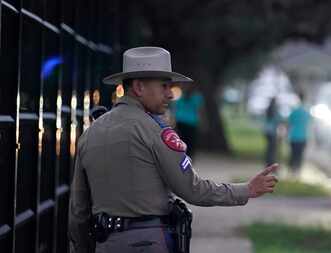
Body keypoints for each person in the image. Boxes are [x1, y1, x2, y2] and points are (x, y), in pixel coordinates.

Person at [69, 47, 279, 253]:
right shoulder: (155, 131)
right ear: (139, 87)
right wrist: (246, 190)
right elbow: (192, 189)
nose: (170, 94)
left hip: (104, 244)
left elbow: (78, 211)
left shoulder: (90, 134)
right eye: (164, 86)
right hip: (148, 242)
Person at [174, 86, 204, 158]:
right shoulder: (197, 98)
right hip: (191, 123)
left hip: (180, 121)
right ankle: (189, 158)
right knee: (190, 142)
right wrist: (201, 122)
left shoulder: (179, 96)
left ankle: (180, 156)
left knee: (180, 141)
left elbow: (175, 109)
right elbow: (200, 111)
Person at [288, 92, 311, 174]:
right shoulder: (306, 112)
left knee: (293, 154)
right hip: (302, 137)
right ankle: (297, 171)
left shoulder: (294, 111)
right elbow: (309, 125)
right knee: (300, 155)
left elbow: (289, 123)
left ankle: (291, 170)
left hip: (293, 136)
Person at [264, 97, 280, 166]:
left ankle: (268, 162)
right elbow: (277, 120)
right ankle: (271, 163)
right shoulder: (274, 110)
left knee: (269, 148)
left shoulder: (268, 109)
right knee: (273, 149)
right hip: (273, 132)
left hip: (267, 131)